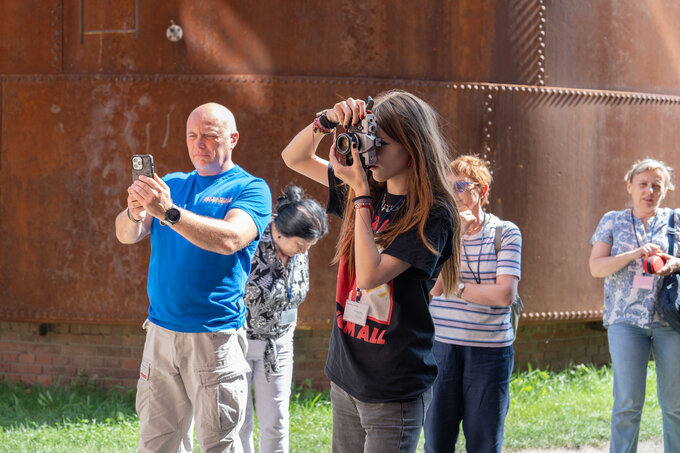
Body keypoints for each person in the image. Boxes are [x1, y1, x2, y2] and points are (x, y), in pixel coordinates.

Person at [281, 89, 460, 453]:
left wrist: (360, 191)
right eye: (368, 140)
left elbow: (370, 274)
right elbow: (294, 157)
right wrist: (326, 121)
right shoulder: (367, 187)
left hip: (393, 385)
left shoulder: (433, 214)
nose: (370, 152)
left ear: (412, 148)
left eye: (381, 143)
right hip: (347, 373)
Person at [115, 102, 272, 453]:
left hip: (213, 339)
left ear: (233, 139)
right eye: (192, 136)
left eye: (210, 136)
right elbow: (126, 234)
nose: (199, 144)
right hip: (160, 333)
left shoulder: (251, 188)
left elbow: (230, 239)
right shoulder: (172, 184)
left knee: (220, 444)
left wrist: (168, 212)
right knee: (157, 444)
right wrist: (135, 210)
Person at [424, 155, 522, 453]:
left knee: (484, 443)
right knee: (437, 442)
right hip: (441, 348)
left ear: (483, 190)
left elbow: (504, 294)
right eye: (448, 187)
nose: (455, 194)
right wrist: (453, 236)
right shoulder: (439, 230)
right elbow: (436, 288)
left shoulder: (505, 233)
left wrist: (459, 286)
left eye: (462, 186)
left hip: (490, 353)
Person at [589, 158, 680, 453]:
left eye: (656, 185)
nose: (649, 191)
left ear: (665, 190)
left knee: (676, 404)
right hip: (625, 323)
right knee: (627, 402)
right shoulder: (612, 220)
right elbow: (597, 267)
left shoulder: (676, 221)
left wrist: (673, 264)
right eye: (643, 184)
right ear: (630, 186)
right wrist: (633, 254)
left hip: (670, 322)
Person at [239, 184, 328, 453]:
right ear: (280, 232)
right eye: (301, 245)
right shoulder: (251, 238)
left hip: (279, 345)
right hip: (240, 343)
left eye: (309, 246)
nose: (304, 252)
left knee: (276, 421)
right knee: (240, 422)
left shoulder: (300, 246)